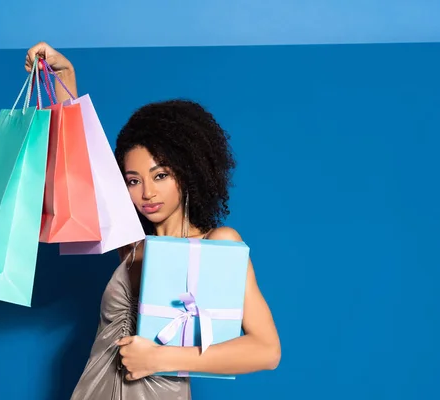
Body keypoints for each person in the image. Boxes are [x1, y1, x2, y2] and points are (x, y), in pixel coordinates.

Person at [25, 42, 281, 400]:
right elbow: (77, 171)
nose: (146, 192)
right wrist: (65, 80)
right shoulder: (131, 244)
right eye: (133, 180)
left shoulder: (217, 243)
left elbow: (266, 350)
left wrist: (160, 357)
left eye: (160, 176)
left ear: (188, 172)